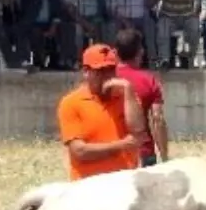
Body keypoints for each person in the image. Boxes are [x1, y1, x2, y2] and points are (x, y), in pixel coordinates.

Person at [56, 44, 146, 181]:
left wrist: (128, 89)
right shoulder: (71, 103)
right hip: (88, 185)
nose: (108, 76)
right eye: (101, 71)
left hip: (125, 184)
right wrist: (122, 145)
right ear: (86, 72)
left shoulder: (127, 98)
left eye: (111, 70)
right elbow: (79, 152)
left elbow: (138, 132)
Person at [113, 28, 168, 167]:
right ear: (141, 51)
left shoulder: (109, 79)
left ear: (116, 52)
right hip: (143, 152)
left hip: (113, 150)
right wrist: (165, 157)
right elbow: (158, 120)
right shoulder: (149, 80)